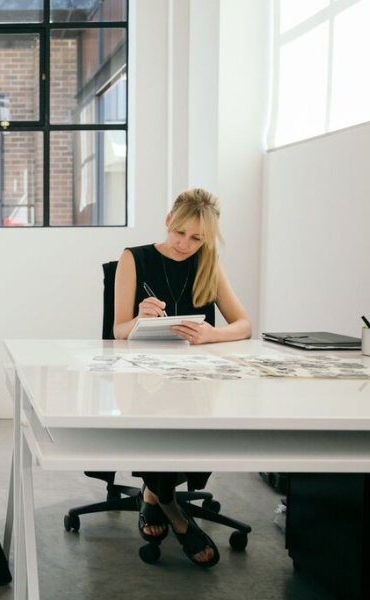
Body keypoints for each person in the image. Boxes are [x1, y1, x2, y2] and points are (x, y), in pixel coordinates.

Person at [113, 188, 251, 568]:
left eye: (196, 239)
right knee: (159, 415)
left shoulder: (207, 263)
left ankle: (152, 494)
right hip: (141, 379)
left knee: (194, 415)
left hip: (195, 379)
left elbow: (243, 324)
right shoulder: (133, 258)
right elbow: (118, 330)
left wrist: (212, 335)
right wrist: (139, 318)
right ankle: (173, 510)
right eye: (180, 233)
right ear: (167, 221)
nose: (184, 245)